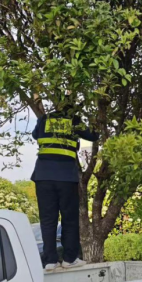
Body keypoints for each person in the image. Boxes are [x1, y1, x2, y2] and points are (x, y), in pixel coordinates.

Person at [32, 102, 99, 272]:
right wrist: (94, 119)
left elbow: (35, 135)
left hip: (43, 176)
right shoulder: (74, 120)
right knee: (69, 219)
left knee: (48, 220)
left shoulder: (44, 119)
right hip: (66, 177)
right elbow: (93, 136)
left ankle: (50, 261)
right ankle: (70, 258)